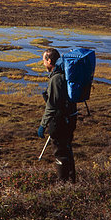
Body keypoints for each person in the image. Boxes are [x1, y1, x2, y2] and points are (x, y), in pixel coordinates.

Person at [37, 48, 78, 182]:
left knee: (59, 152)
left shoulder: (56, 79)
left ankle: (63, 183)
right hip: (70, 118)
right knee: (67, 149)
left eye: (44, 60)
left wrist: (43, 125)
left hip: (60, 121)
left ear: (49, 61)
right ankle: (72, 181)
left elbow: (52, 106)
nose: (43, 63)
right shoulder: (65, 75)